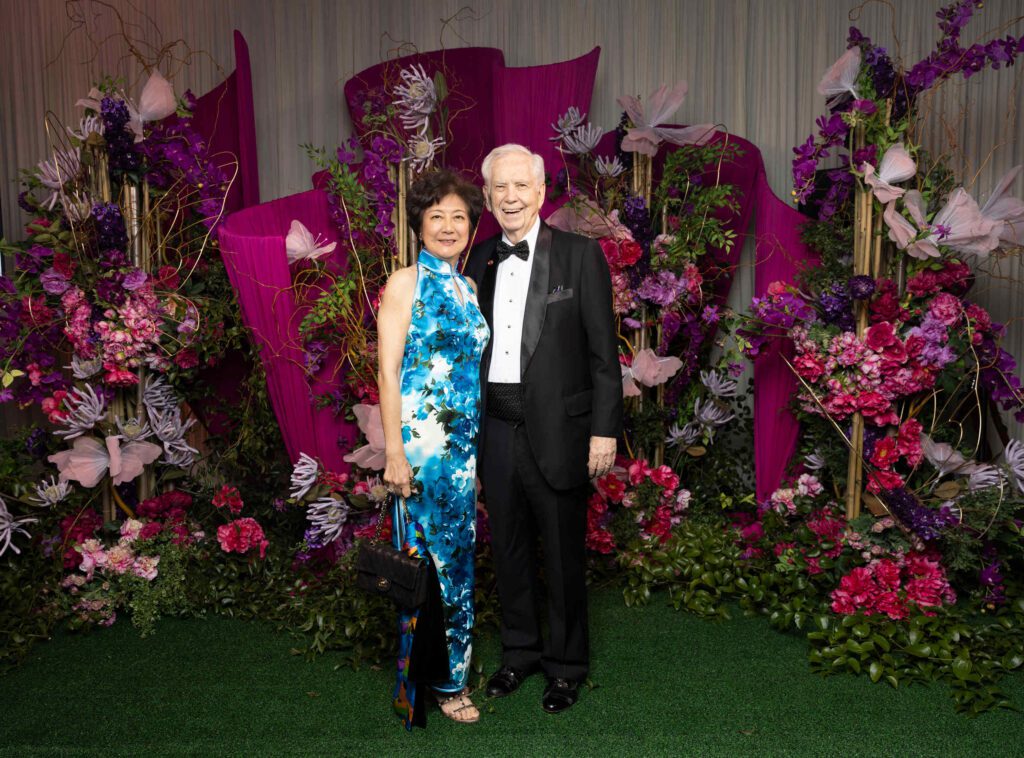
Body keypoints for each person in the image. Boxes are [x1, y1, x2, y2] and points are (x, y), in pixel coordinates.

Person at [464, 144, 622, 714]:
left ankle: (565, 666)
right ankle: (520, 653)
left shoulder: (580, 257)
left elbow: (606, 357)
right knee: (506, 550)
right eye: (498, 189)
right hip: (497, 431)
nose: (510, 197)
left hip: (560, 430)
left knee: (560, 554)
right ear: (487, 197)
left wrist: (604, 433)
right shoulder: (478, 258)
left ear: (540, 192)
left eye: (520, 187)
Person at [377, 168, 489, 728]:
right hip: (421, 454)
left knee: (460, 564)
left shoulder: (467, 289)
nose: (448, 226)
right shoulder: (405, 284)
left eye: (459, 217)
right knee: (428, 567)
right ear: (419, 223)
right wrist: (394, 453)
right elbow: (389, 371)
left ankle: (453, 675)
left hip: (463, 456)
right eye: (437, 215)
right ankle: (433, 686)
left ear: (471, 226)